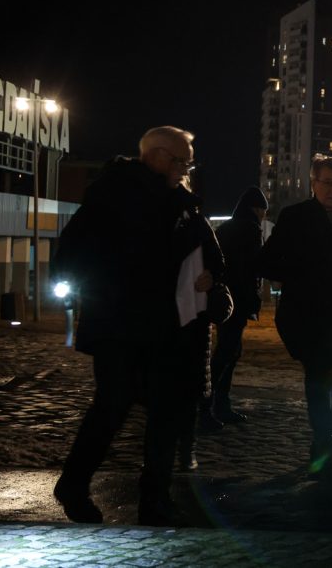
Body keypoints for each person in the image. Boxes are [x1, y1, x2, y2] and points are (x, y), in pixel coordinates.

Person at [52, 125, 204, 525]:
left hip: (163, 324)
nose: (184, 169)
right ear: (155, 155)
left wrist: (209, 276)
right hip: (118, 323)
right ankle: (74, 484)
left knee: (164, 410)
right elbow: (73, 250)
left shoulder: (180, 201)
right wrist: (96, 294)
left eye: (188, 163)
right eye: (180, 161)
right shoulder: (113, 194)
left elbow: (198, 250)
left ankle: (154, 501)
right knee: (114, 405)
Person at [259, 154, 332, 481]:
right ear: (313, 183)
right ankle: (323, 445)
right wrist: (306, 273)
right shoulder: (295, 216)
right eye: (327, 183)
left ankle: (325, 445)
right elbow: (267, 261)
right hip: (307, 315)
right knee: (320, 382)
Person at [173, 181, 231, 471]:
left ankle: (186, 449)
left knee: (188, 389)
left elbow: (218, 262)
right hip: (160, 316)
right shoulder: (144, 219)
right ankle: (162, 454)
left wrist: (211, 275)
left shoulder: (196, 221)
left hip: (194, 315)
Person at [209, 187, 269, 428]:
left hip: (224, 298)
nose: (263, 216)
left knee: (227, 350)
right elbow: (253, 267)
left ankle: (215, 402)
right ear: (256, 210)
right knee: (228, 353)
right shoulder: (251, 230)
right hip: (239, 300)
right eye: (263, 211)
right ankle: (213, 403)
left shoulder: (226, 229)